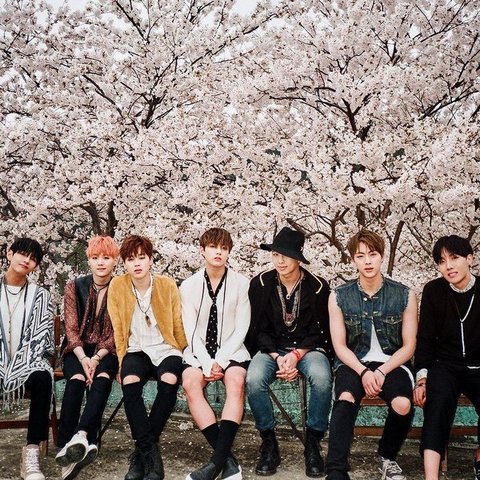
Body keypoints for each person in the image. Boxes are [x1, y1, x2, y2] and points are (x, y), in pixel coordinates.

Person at [325, 229, 418, 480]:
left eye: (373, 254)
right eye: (360, 256)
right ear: (353, 260)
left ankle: (387, 456)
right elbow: (340, 346)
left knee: (402, 404)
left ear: (382, 257)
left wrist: (381, 371)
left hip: (393, 363)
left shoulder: (405, 295)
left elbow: (409, 346)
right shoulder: (339, 296)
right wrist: (364, 371)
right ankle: (335, 469)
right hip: (354, 362)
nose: (367, 261)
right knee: (345, 397)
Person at [246, 226, 333, 478]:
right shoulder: (261, 283)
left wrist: (296, 355)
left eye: (286, 255)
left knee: (322, 378)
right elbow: (258, 328)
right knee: (253, 379)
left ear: (298, 258)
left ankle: (313, 442)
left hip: (308, 348)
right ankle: (269, 442)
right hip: (271, 349)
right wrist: (277, 356)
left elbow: (320, 330)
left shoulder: (318, 287)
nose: (280, 261)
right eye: (275, 254)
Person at [108, 235, 187, 480]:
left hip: (166, 348)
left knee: (169, 379)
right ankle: (149, 452)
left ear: (151, 260)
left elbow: (177, 324)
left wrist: (185, 353)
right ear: (124, 263)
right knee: (130, 381)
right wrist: (121, 362)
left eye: (142, 258)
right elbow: (118, 329)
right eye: (131, 259)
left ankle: (140, 455)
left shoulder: (167, 285)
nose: (137, 264)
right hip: (136, 349)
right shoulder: (118, 286)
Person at [180, 227, 250, 480]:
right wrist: (207, 362)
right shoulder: (188, 286)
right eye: (213, 247)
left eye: (224, 248)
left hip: (232, 351)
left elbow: (241, 328)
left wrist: (220, 360)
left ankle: (215, 463)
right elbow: (190, 331)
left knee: (236, 381)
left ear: (229, 252)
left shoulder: (241, 284)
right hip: (198, 353)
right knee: (190, 383)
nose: (218, 252)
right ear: (202, 250)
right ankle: (227, 461)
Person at [414, 235, 480, 480]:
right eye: (442, 261)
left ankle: (479, 457)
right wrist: (422, 379)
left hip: (478, 366)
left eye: (454, 258)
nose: (448, 266)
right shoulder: (434, 290)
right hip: (445, 366)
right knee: (437, 404)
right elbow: (425, 339)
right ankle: (431, 476)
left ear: (469, 259)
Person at [55, 236, 120, 480]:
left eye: (106, 257)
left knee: (102, 379)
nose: (101, 263)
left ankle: (82, 435)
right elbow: (71, 330)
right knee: (76, 380)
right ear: (88, 260)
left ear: (115, 261)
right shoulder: (74, 286)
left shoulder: (121, 288)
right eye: (95, 258)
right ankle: (67, 445)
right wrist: (84, 358)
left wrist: (97, 358)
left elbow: (117, 332)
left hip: (107, 350)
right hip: (77, 349)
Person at [0, 238, 54, 480]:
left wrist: (18, 362)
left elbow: (42, 337)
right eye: (22, 254)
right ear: (9, 254)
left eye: (33, 259)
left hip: (29, 361)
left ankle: (31, 452)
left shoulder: (40, 295)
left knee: (43, 378)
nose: (27, 261)